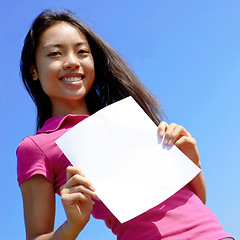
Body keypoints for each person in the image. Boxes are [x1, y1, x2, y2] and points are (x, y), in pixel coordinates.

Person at [17, 9, 234, 240]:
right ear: (33, 70)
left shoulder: (127, 119)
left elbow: (193, 203)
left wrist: (192, 160)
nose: (72, 62)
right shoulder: (37, 147)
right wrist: (72, 226)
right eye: (55, 54)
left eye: (82, 52)